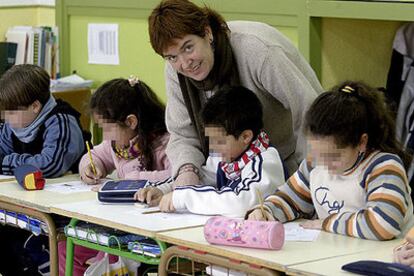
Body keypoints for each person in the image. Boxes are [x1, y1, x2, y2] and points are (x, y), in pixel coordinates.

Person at [148, 0, 323, 187]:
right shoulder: (176, 71)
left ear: (207, 33)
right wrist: (187, 170)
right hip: (234, 171)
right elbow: (183, 133)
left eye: (188, 47)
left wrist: (307, 180)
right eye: (172, 57)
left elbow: (310, 111)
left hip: (289, 163)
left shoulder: (258, 51)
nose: (184, 64)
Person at [247, 81, 414, 241]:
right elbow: (290, 199)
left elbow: (383, 225)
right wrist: (266, 211)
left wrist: (327, 223)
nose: (324, 164)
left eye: (333, 157)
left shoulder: (383, 167)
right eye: (318, 153)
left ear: (361, 142)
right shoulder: (314, 164)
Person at [58, 77, 171, 276]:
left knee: (110, 256)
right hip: (117, 224)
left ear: (131, 122)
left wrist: (133, 179)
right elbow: (94, 155)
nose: (105, 136)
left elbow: (177, 175)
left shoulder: (166, 142)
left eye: (107, 129)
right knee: (66, 249)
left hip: (149, 231)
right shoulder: (116, 145)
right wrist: (90, 167)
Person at [136, 86, 285, 217]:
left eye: (219, 140)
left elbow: (241, 203)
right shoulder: (225, 156)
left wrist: (184, 197)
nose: (214, 147)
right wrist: (164, 190)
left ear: (245, 136)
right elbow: (201, 178)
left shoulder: (265, 161)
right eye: (211, 139)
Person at [0, 64, 85, 177]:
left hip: (65, 190)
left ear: (35, 106)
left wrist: (7, 163)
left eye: (12, 112)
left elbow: (50, 165)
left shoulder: (61, 121)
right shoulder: (13, 124)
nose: (6, 117)